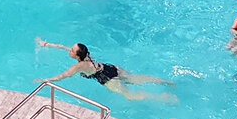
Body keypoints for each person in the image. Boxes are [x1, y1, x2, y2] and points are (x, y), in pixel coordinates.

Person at [35, 40, 174, 102]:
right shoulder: (86, 55)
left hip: (107, 79)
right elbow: (62, 47)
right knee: (136, 79)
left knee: (130, 96)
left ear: (77, 56)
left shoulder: (79, 66)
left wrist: (45, 80)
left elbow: (63, 76)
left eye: (72, 50)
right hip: (111, 68)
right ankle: (165, 82)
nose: (69, 50)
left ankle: (162, 97)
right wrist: (46, 44)